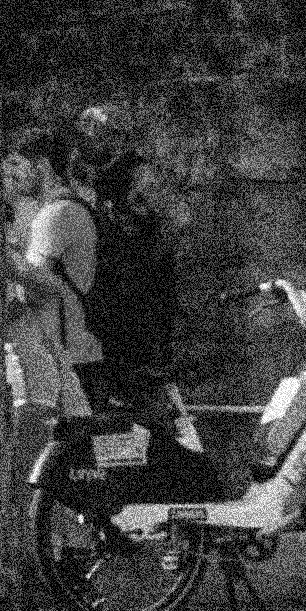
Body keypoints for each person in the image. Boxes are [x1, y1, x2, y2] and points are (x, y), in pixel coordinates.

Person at [78, 117, 185, 418]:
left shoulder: (154, 238)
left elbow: (164, 305)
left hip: (142, 365)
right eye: (146, 189)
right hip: (113, 367)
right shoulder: (103, 237)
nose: (155, 195)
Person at [5, 128, 103, 428]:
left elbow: (37, 291)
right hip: (72, 352)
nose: (12, 175)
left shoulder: (55, 216)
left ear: (42, 166)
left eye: (18, 164)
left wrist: (5, 263)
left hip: (71, 356)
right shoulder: (66, 209)